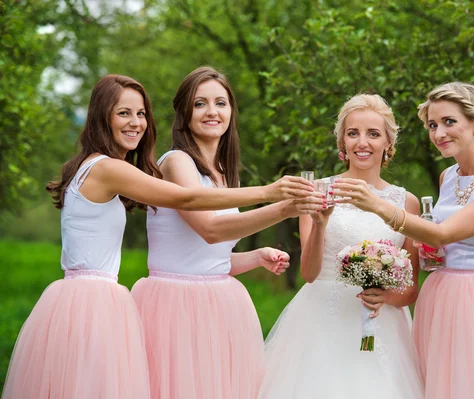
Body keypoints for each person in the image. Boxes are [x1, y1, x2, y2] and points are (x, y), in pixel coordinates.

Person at [1, 74, 313, 399]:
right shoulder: (109, 168)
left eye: (140, 114)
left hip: (85, 296)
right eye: (124, 113)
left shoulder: (99, 166)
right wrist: (270, 193)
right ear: (101, 116)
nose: (136, 122)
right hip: (92, 302)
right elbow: (186, 199)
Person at [332, 82, 474, 399]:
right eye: (433, 125)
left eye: (449, 122)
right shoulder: (449, 176)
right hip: (439, 293)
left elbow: (445, 232)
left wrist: (377, 205)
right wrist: (427, 249)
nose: (438, 133)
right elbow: (439, 237)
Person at [130, 66, 324, 399]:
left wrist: (255, 257)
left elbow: (209, 259)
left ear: (231, 112)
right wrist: (282, 208)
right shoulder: (177, 162)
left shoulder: (221, 174)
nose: (212, 112)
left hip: (220, 304)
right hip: (175, 306)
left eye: (220, 103)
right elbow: (209, 229)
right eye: (200, 103)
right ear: (185, 113)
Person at [258, 94, 425, 399]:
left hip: (381, 326)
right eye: (353, 133)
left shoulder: (406, 202)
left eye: (373, 134)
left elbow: (410, 290)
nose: (362, 142)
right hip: (321, 320)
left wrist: (386, 296)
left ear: (388, 143)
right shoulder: (317, 191)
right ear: (342, 143)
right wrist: (321, 222)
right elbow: (308, 273)